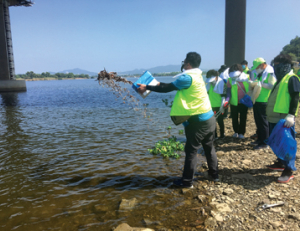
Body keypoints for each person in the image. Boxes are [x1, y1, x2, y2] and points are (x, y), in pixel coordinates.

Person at [137, 52, 219, 188]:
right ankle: (214, 175)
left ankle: (187, 182)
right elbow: (169, 85)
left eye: (184, 61)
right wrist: (156, 83)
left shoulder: (187, 78)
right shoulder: (197, 75)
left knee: (191, 151)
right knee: (209, 147)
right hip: (209, 118)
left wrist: (147, 87)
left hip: (198, 122)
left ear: (188, 63)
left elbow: (167, 88)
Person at [266, 54, 300, 183]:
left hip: (284, 118)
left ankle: (288, 170)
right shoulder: (281, 79)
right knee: (277, 141)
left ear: (284, 65)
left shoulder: (292, 78)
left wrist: (291, 115)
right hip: (275, 117)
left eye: (277, 65)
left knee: (287, 143)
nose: (275, 67)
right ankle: (280, 163)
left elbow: (295, 97)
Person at [250, 58, 276, 150]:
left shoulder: (270, 72)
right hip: (257, 99)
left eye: (257, 67)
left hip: (264, 100)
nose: (256, 69)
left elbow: (272, 85)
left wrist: (260, 83)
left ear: (262, 65)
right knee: (258, 121)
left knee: (264, 123)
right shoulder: (261, 73)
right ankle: (260, 139)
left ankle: (264, 143)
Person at [224, 64, 250, 139]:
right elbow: (228, 92)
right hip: (234, 102)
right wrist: (227, 100)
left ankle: (242, 132)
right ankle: (236, 131)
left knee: (243, 117)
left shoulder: (247, 77)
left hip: (244, 101)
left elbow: (251, 88)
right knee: (234, 118)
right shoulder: (230, 79)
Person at [206, 69, 226, 139]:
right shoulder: (209, 84)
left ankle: (222, 134)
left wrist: (222, 105)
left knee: (220, 121)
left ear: (216, 77)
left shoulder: (221, 83)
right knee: (212, 121)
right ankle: (215, 135)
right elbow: (207, 94)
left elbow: (223, 95)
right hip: (211, 105)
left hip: (219, 105)